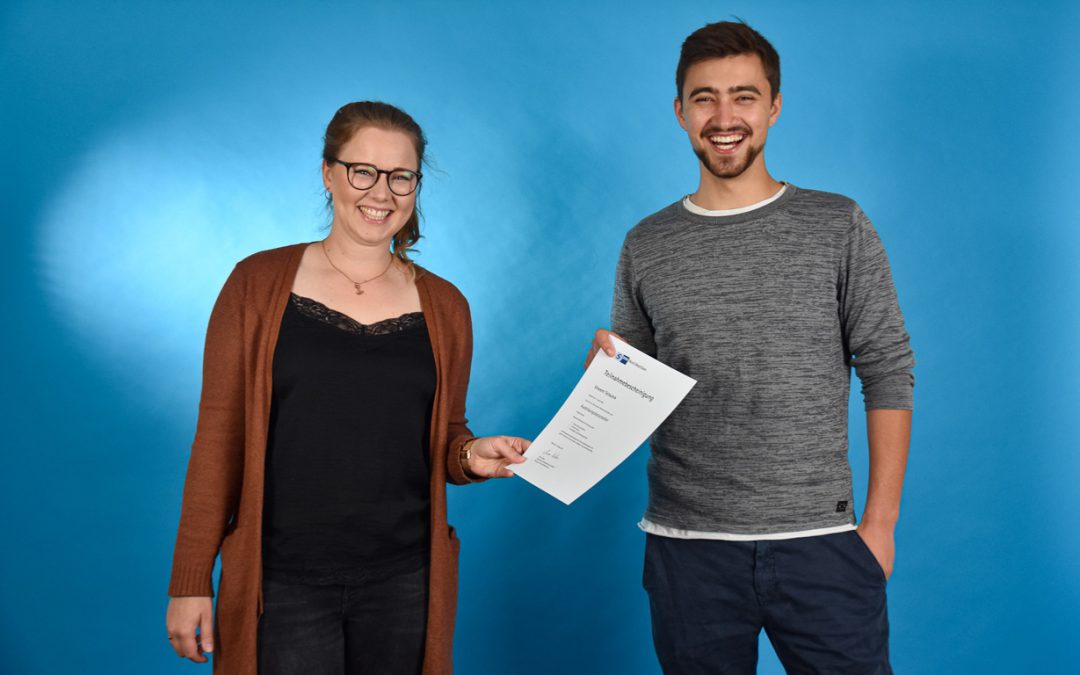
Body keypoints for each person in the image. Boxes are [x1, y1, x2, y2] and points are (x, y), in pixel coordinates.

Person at [586, 21, 915, 674]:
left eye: (744, 95)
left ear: (774, 105)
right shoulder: (646, 242)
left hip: (819, 543)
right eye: (704, 97)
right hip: (688, 551)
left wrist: (880, 526)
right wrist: (608, 376)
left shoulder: (835, 223)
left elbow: (887, 369)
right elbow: (640, 391)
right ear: (680, 111)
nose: (724, 116)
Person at [166, 101, 530, 675]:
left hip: (406, 584)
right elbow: (218, 438)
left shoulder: (446, 306)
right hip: (282, 585)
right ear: (328, 173)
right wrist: (191, 581)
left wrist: (471, 455)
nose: (380, 192)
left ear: (416, 185)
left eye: (401, 176)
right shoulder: (255, 285)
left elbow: (446, 434)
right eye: (363, 171)